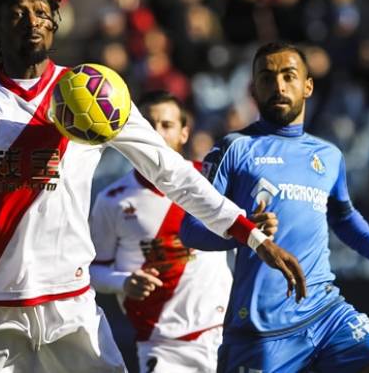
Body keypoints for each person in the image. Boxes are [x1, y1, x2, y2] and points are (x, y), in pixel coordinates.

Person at [0, 0, 305, 372]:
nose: (33, 21)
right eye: (18, 13)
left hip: (70, 308)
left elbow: (170, 170)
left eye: (42, 12)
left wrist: (250, 234)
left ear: (55, 24)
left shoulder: (95, 94)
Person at [181, 42, 369, 373]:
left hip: (326, 312)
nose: (278, 85)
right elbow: (190, 229)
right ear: (253, 88)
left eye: (289, 76)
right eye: (267, 77)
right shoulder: (233, 149)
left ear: (307, 86)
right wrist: (245, 232)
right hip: (261, 330)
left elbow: (343, 217)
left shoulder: (329, 156)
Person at [90, 91, 279, 373]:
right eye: (148, 125)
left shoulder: (212, 182)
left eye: (166, 125)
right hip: (160, 345)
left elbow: (248, 229)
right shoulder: (111, 200)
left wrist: (262, 227)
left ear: (184, 133)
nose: (156, 133)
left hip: (222, 333)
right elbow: (91, 272)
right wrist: (124, 281)